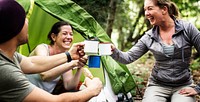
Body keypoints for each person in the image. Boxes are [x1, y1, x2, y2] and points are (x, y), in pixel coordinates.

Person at [0, 0, 102, 102]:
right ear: (14, 27)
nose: (27, 21)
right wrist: (92, 90)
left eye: (71, 34)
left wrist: (71, 57)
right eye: (23, 19)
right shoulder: (5, 70)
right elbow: (52, 92)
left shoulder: (11, 56)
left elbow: (32, 63)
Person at [110, 0, 200, 102]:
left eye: (150, 8)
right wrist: (114, 51)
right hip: (158, 85)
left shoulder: (187, 29)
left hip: (183, 85)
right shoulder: (149, 37)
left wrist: (198, 88)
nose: (146, 14)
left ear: (164, 9)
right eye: (145, 10)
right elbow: (128, 57)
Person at [26, 21, 85, 94]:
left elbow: (69, 86)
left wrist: (80, 65)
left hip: (43, 98)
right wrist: (73, 63)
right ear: (53, 37)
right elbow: (45, 75)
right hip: (24, 95)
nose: (69, 37)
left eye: (71, 34)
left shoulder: (67, 57)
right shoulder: (42, 48)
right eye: (64, 33)